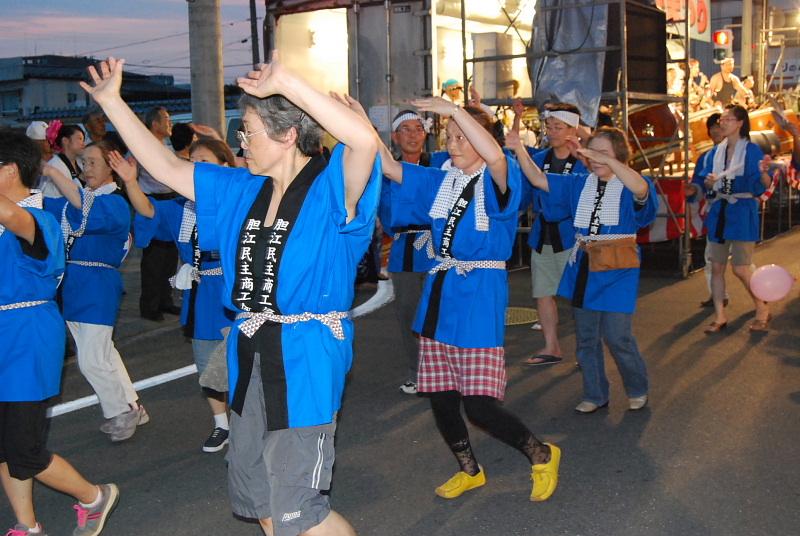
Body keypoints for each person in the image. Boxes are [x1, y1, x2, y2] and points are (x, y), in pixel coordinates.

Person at [81, 53, 380, 536]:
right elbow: (164, 166)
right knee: (257, 495)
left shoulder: (331, 189)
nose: (240, 144)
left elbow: (363, 139)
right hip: (249, 352)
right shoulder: (242, 188)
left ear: (286, 135)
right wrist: (113, 103)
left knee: (299, 510)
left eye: (249, 132)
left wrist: (288, 82)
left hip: (306, 360)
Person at [358, 93, 561, 502]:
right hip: (440, 288)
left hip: (479, 291)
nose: (453, 142)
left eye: (462, 136)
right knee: (441, 395)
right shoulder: (443, 178)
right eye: (449, 135)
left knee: (479, 403)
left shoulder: (498, 179)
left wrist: (455, 111)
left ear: (481, 141)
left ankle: (541, 453)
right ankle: (469, 469)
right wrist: (360, 123)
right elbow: (392, 167)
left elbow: (500, 158)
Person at [0, 129, 119, 536]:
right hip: (7, 334)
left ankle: (93, 496)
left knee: (24, 450)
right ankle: (27, 525)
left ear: (10, 170)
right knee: (5, 443)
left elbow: (14, 219)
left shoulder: (38, 218)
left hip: (28, 336)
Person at [514, 126, 657, 413]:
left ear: (619, 154)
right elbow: (538, 179)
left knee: (618, 335)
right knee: (586, 335)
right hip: (583, 264)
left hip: (619, 267)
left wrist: (606, 160)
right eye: (592, 153)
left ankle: (637, 386)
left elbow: (641, 191)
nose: (595, 159)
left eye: (604, 153)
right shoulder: (580, 182)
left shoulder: (633, 182)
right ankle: (595, 392)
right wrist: (518, 148)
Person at [111, 138, 234, 453]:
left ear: (225, 165)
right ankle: (222, 425)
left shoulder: (238, 199)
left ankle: (252, 422)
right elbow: (148, 210)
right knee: (207, 365)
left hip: (236, 291)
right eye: (193, 161)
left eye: (205, 160)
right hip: (201, 293)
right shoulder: (182, 206)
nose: (197, 167)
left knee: (245, 361)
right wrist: (129, 181)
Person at [42, 140, 148, 442]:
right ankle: (133, 406)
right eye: (83, 162)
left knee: (91, 359)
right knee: (104, 354)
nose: (85, 169)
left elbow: (78, 206)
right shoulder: (87, 197)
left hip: (96, 285)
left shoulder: (114, 202)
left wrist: (51, 170)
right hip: (76, 284)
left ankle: (120, 411)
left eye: (92, 162)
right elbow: (49, 206)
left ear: (111, 167)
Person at [512, 102, 588, 366]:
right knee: (543, 292)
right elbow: (525, 191)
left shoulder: (584, 160)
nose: (552, 131)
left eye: (559, 127)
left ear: (573, 130)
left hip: (572, 233)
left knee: (580, 295)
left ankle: (586, 350)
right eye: (549, 126)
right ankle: (551, 346)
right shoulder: (541, 158)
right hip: (543, 232)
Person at [696, 105, 773, 333]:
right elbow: (706, 185)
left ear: (740, 123)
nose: (723, 123)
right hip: (720, 210)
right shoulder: (714, 153)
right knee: (717, 266)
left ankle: (762, 307)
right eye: (722, 119)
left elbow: (763, 186)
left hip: (741, 210)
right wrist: (709, 184)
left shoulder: (751, 151)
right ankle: (720, 316)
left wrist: (763, 173)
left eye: (728, 119)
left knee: (740, 268)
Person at [379, 110, 435, 394]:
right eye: (406, 129)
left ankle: (446, 372)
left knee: (444, 310)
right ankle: (418, 372)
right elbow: (384, 215)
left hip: (439, 246)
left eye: (418, 129)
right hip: (403, 249)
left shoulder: (440, 164)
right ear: (395, 137)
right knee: (409, 314)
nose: (413, 135)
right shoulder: (385, 173)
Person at [138, 106, 181, 321]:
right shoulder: (142, 146)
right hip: (152, 203)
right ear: (154, 124)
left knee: (170, 255)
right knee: (154, 258)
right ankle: (150, 305)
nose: (169, 123)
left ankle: (166, 300)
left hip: (170, 200)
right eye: (166, 119)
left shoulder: (165, 144)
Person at [686, 113, 730, 307]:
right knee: (712, 256)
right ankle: (717, 295)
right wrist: (694, 190)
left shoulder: (740, 152)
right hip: (715, 211)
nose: (715, 131)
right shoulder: (706, 157)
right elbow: (698, 183)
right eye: (712, 127)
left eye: (719, 126)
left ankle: (760, 295)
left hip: (737, 210)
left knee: (741, 262)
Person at [43, 123, 85, 198]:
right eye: (79, 139)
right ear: (65, 141)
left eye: (83, 140)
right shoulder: (54, 165)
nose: (83, 144)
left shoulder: (80, 163)